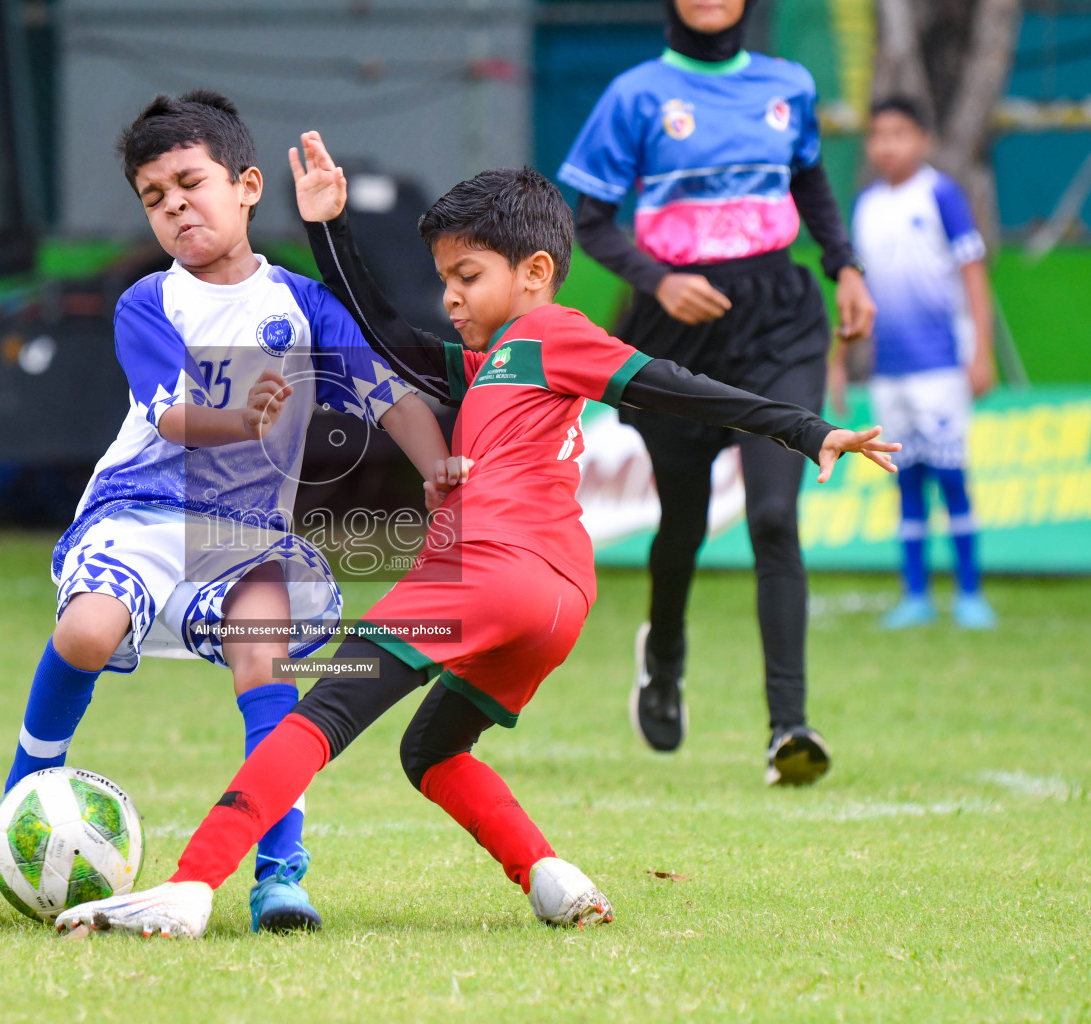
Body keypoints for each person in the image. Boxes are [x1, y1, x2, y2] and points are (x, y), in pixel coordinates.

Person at [51, 135, 899, 939]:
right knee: (431, 750)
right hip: (558, 603)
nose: (450, 296)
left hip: (485, 580)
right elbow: (388, 335)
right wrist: (328, 226)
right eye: (444, 278)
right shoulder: (498, 358)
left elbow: (672, 384)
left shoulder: (551, 333)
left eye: (466, 276)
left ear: (536, 274)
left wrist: (803, 429)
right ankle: (548, 876)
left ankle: (193, 886)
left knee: (316, 712)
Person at [0, 93, 449, 933]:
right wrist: (245, 415)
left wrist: (438, 469)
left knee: (264, 654)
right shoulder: (146, 302)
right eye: (153, 196)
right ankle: (9, 809)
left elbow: (391, 398)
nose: (173, 205)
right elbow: (173, 414)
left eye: (189, 183)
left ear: (246, 186)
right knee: (87, 634)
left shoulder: (306, 305)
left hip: (245, 539)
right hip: (139, 513)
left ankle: (279, 873)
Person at [558, 0, 878, 784]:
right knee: (685, 525)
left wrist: (844, 266)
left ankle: (789, 730)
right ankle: (663, 658)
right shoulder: (635, 93)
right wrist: (657, 281)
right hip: (677, 331)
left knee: (774, 516)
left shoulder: (789, 84)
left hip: (780, 320)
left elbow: (811, 184)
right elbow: (591, 220)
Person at [842, 96, 997, 630]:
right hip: (889, 369)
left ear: (923, 139)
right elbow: (854, 289)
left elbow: (973, 272)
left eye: (900, 134)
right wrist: (840, 363)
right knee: (904, 479)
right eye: (878, 135)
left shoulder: (941, 194)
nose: (888, 145)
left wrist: (982, 350)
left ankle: (970, 593)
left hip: (941, 365)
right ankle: (915, 594)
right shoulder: (864, 205)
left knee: (950, 475)